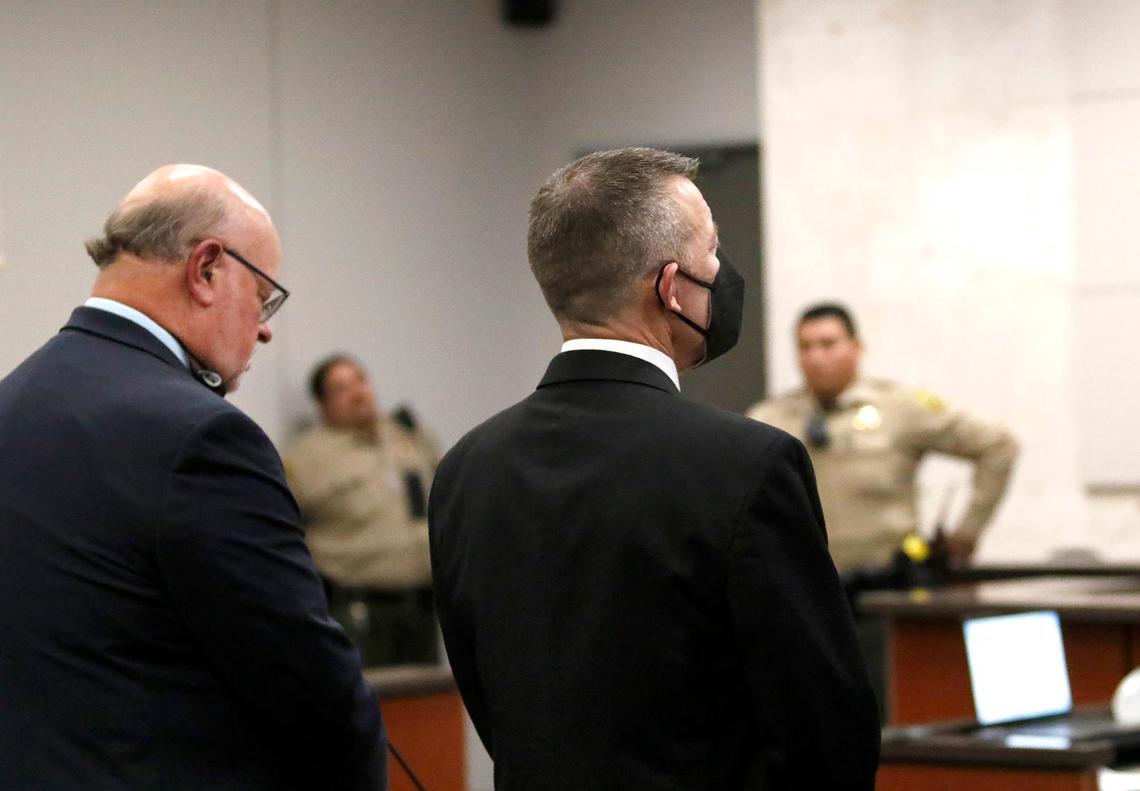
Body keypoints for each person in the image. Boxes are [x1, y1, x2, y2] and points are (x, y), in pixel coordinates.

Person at [429, 148, 880, 790]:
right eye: (712, 252)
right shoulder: (748, 464)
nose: (723, 272)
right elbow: (826, 733)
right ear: (671, 288)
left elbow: (492, 704)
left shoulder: (465, 469)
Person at [0, 165, 386, 790]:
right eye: (264, 297)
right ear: (206, 269)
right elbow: (313, 690)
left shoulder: (10, 403)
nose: (264, 328)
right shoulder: (204, 437)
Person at [747, 302, 1019, 575]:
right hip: (806, 580)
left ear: (857, 347)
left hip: (888, 582)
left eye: (828, 344)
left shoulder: (899, 408)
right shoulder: (771, 419)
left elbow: (998, 446)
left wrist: (965, 535)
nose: (816, 357)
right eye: (805, 347)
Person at [285, 355, 439, 666]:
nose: (358, 393)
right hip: (358, 612)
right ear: (323, 404)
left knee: (428, 696)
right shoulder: (304, 460)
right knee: (369, 696)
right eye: (341, 388)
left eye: (360, 380)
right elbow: (284, 535)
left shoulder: (408, 436)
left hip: (421, 606)